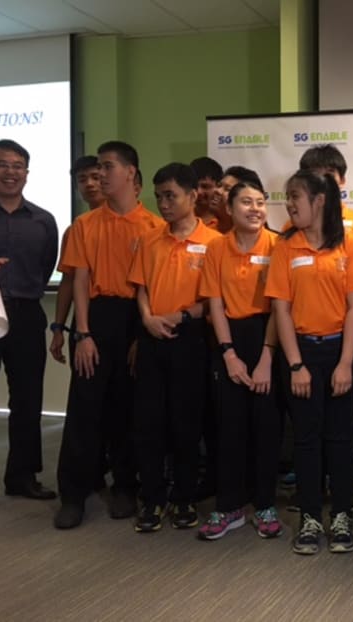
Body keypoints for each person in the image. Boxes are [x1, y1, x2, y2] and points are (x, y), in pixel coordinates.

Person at [54, 141, 163, 529]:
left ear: (131, 173)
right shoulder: (85, 225)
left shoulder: (154, 227)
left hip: (136, 319)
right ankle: (72, 494)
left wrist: (140, 338)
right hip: (95, 319)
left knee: (128, 408)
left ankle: (125, 487)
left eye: (107, 166)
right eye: (97, 167)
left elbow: (152, 288)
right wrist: (81, 333)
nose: (100, 174)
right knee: (84, 408)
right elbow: (80, 278)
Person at [265, 170, 353, 554]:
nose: (289, 204)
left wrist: (346, 363)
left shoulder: (349, 244)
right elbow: (281, 309)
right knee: (306, 440)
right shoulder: (285, 247)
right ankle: (310, 515)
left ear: (320, 200)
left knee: (340, 438)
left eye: (296, 196)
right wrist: (295, 365)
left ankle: (342, 513)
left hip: (339, 351)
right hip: (302, 353)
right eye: (287, 197)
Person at [127, 163, 220, 533]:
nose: (163, 204)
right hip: (152, 338)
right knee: (149, 422)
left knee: (186, 422)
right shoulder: (150, 239)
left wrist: (182, 317)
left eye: (171, 196)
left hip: (190, 339)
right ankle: (152, 498)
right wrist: (148, 319)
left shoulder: (215, 243)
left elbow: (215, 300)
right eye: (159, 196)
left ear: (193, 196)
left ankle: (183, 497)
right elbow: (141, 287)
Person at [196, 180, 282, 541]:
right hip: (228, 338)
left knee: (266, 428)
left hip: (268, 337)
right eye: (246, 202)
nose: (255, 209)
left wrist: (266, 357)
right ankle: (230, 505)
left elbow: (281, 306)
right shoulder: (216, 248)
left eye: (260, 202)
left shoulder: (279, 245)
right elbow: (214, 303)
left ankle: (264, 503)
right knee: (228, 426)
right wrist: (228, 353)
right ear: (229, 209)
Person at [0, 139, 59, 515]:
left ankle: (23, 477)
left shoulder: (43, 219)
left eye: (18, 165)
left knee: (28, 400)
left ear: (27, 172)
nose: (11, 172)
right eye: (2, 165)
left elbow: (46, 267)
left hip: (27, 314)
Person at [49, 156, 106, 366]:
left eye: (95, 177)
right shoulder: (75, 230)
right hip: (85, 317)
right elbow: (68, 281)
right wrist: (58, 327)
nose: (89, 184)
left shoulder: (138, 224)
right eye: (82, 179)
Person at [300, 144, 353, 271]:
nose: (323, 180)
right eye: (315, 175)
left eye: (329, 174)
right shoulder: (293, 226)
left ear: (342, 180)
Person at [189, 156, 224, 231]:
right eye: (194, 186)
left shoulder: (225, 224)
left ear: (218, 187)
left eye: (205, 186)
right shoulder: (178, 220)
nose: (198, 192)